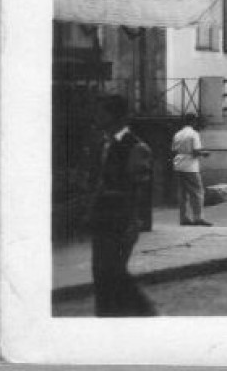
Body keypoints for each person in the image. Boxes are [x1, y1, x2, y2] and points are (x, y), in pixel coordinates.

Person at [89, 95, 156, 317]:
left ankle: (144, 313)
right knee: (102, 273)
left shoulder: (136, 147)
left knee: (113, 272)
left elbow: (139, 190)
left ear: (114, 116)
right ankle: (110, 316)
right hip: (100, 218)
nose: (97, 117)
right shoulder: (102, 143)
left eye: (102, 112)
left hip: (120, 219)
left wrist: (134, 223)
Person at [171, 114, 209, 226]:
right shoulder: (194, 134)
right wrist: (204, 153)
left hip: (178, 164)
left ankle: (184, 218)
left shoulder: (177, 134)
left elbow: (173, 150)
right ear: (193, 122)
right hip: (191, 166)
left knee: (182, 193)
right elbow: (196, 151)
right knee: (197, 192)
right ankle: (198, 217)